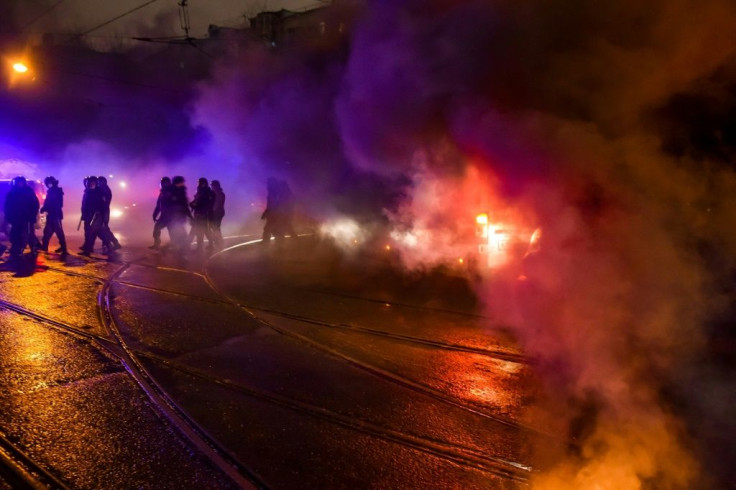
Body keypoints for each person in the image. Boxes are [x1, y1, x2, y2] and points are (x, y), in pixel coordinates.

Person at [3, 176, 40, 259]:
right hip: (16, 218)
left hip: (26, 218)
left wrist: (31, 216)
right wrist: (9, 216)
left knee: (27, 234)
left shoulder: (28, 192)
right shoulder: (12, 192)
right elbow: (8, 205)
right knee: (15, 234)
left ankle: (27, 249)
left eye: (18, 182)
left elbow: (35, 205)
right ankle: (16, 249)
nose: (17, 184)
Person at [40, 176, 67, 255]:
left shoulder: (56, 191)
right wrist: (45, 208)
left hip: (55, 215)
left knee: (58, 232)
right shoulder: (52, 191)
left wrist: (45, 208)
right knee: (47, 232)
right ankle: (45, 246)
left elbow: (55, 204)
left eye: (48, 183)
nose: (48, 185)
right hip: (52, 215)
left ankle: (64, 248)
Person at [164, 176, 192, 256]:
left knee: (179, 235)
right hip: (174, 216)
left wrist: (189, 215)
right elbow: (168, 204)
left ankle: (173, 250)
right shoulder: (172, 191)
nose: (183, 183)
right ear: (178, 182)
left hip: (180, 216)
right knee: (181, 234)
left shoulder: (181, 191)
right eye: (181, 182)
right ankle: (180, 252)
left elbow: (185, 204)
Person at [80, 176, 106, 256]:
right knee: (87, 233)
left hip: (95, 215)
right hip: (87, 215)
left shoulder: (99, 192)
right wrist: (83, 213)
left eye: (93, 182)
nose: (91, 184)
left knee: (91, 233)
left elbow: (102, 204)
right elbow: (84, 204)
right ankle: (88, 248)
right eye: (90, 183)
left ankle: (87, 250)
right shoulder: (87, 192)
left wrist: (98, 211)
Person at [188, 177, 214, 252]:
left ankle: (199, 248)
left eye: (199, 182)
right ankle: (210, 245)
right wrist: (191, 204)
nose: (198, 184)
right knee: (204, 230)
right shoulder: (201, 191)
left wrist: (193, 205)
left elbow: (203, 204)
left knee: (199, 231)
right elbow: (196, 201)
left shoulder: (206, 192)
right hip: (199, 213)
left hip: (202, 214)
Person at [97, 176, 122, 252]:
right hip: (103, 211)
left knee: (104, 228)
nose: (98, 183)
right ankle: (108, 243)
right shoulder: (102, 190)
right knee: (103, 229)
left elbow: (104, 202)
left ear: (104, 182)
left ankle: (115, 242)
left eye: (100, 182)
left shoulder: (105, 190)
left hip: (104, 212)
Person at [150, 177, 171, 250]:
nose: (162, 184)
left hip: (172, 216)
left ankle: (177, 246)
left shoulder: (172, 191)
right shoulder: (162, 193)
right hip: (164, 215)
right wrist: (154, 214)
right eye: (162, 183)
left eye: (163, 183)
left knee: (173, 232)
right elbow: (158, 205)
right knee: (156, 229)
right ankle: (157, 244)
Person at [210, 180, 225, 250]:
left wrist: (212, 211)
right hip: (219, 212)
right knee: (216, 227)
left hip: (217, 213)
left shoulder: (218, 193)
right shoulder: (220, 193)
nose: (211, 187)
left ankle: (218, 242)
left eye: (212, 185)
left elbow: (217, 204)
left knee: (215, 227)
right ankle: (218, 242)